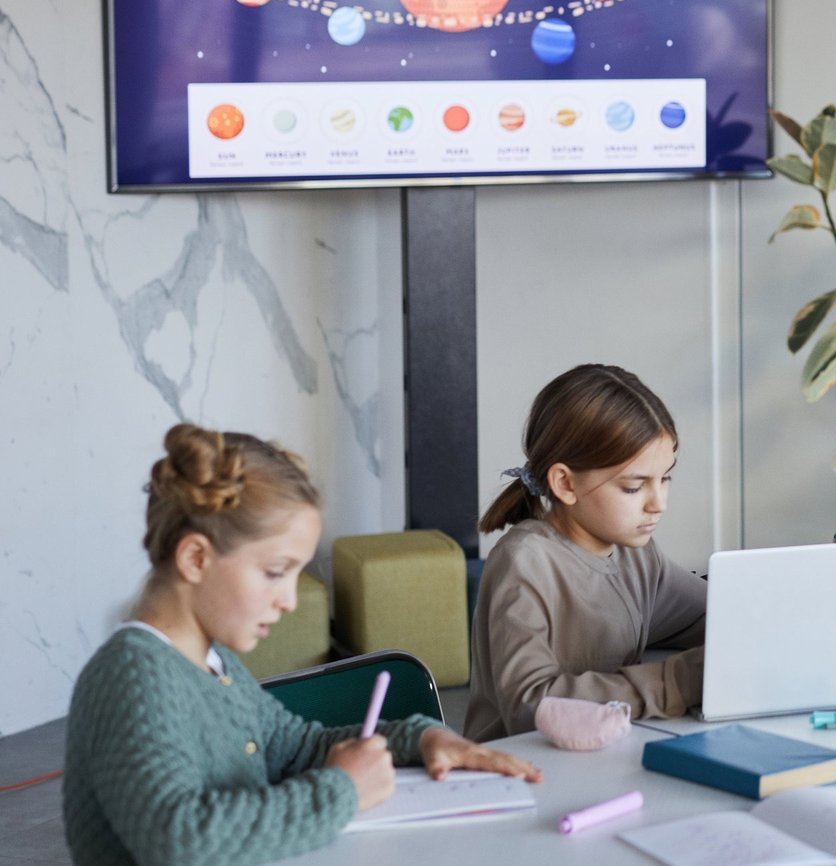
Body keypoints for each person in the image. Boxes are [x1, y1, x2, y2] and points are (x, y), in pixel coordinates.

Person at [65, 424, 537, 866]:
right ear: (195, 558)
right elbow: (180, 840)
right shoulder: (133, 677)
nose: (289, 600)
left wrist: (422, 737)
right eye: (275, 572)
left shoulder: (212, 661)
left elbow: (296, 747)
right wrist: (341, 790)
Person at [465, 364, 705, 740]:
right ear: (564, 483)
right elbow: (531, 707)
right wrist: (674, 682)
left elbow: (722, 616)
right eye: (633, 487)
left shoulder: (638, 557)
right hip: (520, 775)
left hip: (604, 764)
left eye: (666, 478)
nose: (658, 503)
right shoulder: (524, 564)